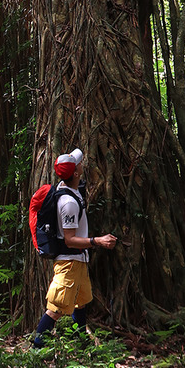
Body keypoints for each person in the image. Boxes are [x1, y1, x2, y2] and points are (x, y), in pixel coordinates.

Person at [33, 147, 117, 347]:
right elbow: (69, 239)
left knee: (81, 301)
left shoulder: (70, 188)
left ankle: (81, 344)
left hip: (79, 261)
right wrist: (97, 241)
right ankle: (35, 351)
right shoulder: (68, 203)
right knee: (56, 308)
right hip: (68, 263)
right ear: (77, 172)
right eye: (78, 163)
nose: (81, 163)